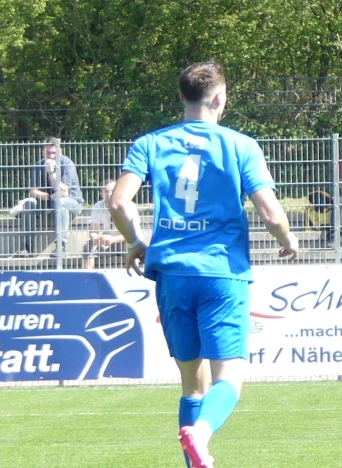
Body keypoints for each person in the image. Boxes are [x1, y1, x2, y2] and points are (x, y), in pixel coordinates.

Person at [109, 61, 299, 468]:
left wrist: (135, 242)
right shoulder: (241, 145)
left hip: (172, 275)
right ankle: (202, 432)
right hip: (221, 273)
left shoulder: (150, 143)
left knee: (191, 385)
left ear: (181, 97)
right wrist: (288, 239)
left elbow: (118, 201)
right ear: (220, 99)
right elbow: (270, 212)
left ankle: (194, 455)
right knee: (229, 377)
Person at [9, 137, 83, 255]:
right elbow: (33, 191)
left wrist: (51, 172)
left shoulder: (67, 163)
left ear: (60, 152)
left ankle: (61, 247)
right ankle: (27, 249)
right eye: (48, 153)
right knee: (29, 204)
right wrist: (48, 197)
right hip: (48, 201)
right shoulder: (39, 164)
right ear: (43, 152)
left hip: (72, 202)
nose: (51, 156)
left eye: (54, 153)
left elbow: (63, 190)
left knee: (60, 202)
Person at [83, 179, 125, 270]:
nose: (109, 194)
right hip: (104, 242)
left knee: (132, 244)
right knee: (88, 245)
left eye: (112, 190)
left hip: (121, 241)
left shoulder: (126, 205)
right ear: (101, 194)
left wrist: (114, 239)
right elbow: (93, 231)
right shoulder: (97, 206)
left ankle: (135, 278)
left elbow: (134, 234)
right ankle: (87, 278)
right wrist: (96, 238)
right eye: (106, 191)